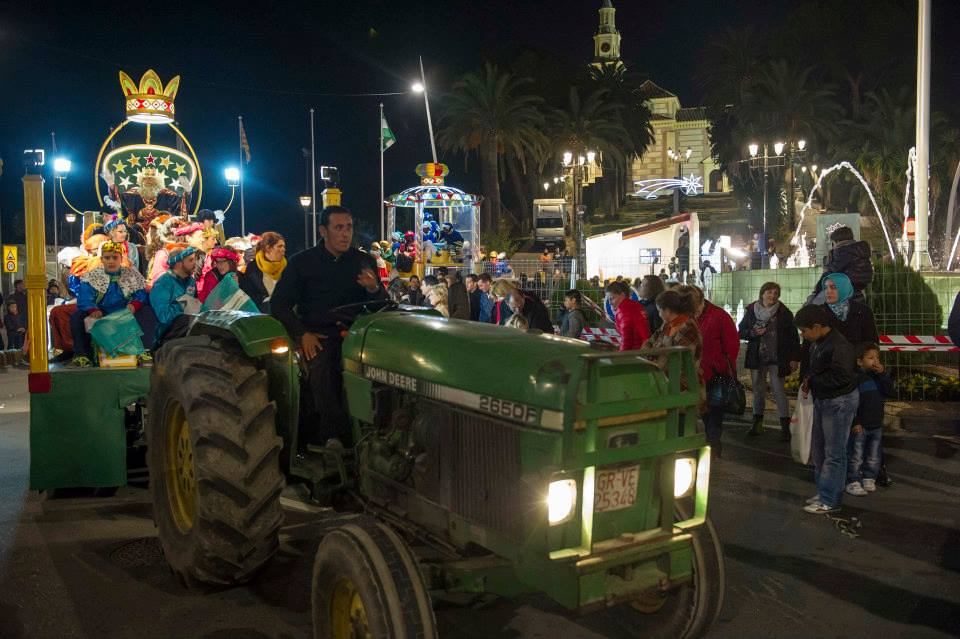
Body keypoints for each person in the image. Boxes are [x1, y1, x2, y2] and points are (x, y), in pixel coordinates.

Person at [271, 205, 385, 446]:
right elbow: (279, 305)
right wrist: (302, 334)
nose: (345, 234)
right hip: (318, 336)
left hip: (356, 335)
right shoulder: (302, 263)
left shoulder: (362, 261)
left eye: (349, 228)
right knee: (324, 369)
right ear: (323, 231)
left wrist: (374, 288)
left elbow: (379, 306)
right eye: (339, 228)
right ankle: (333, 440)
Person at [795, 304, 858, 514]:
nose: (803, 335)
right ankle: (824, 492)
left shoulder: (839, 346)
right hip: (825, 400)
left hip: (838, 402)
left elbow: (842, 377)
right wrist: (810, 379)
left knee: (834, 453)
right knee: (820, 450)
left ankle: (830, 499)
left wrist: (814, 382)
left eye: (804, 331)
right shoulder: (820, 342)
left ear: (817, 326)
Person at [70, 241, 156, 367]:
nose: (111, 261)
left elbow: (141, 294)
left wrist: (135, 305)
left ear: (121, 258)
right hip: (101, 313)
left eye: (115, 257)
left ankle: (144, 351)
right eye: (107, 257)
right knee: (77, 317)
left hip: (125, 313)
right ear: (101, 259)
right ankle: (82, 355)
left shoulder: (132, 274)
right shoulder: (91, 276)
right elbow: (84, 298)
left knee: (148, 312)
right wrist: (92, 309)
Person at [738, 282, 801, 440]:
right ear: (762, 293)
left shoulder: (784, 312)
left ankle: (785, 427)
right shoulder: (752, 310)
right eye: (769, 292)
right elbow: (741, 331)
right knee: (758, 390)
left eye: (775, 293)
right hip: (757, 357)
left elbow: (793, 337)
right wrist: (753, 332)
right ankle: (757, 423)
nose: (772, 296)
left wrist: (794, 358)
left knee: (778, 390)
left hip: (777, 357)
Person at [683, 284, 739, 457]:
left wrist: (719, 365)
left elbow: (732, 346)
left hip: (714, 374)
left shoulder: (719, 316)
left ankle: (714, 444)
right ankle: (705, 442)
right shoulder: (686, 316)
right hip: (693, 374)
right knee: (701, 410)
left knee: (714, 411)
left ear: (699, 301)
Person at [846, 342, 894, 497]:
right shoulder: (857, 379)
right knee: (856, 454)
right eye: (871, 358)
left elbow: (890, 391)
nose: (876, 361)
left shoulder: (879, 377)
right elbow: (852, 403)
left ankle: (869, 477)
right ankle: (853, 480)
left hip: (876, 424)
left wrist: (883, 374)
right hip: (861, 424)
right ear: (860, 361)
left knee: (874, 454)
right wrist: (855, 421)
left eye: (877, 357)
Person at [642, 289, 702, 404]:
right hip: (665, 385)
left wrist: (654, 356)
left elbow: (680, 361)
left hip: (682, 389)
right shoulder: (667, 325)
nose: (659, 314)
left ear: (668, 311)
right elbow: (651, 341)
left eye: (659, 311)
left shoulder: (688, 329)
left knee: (680, 421)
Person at [150, 246, 199, 344]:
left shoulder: (191, 281)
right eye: (190, 260)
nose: (195, 263)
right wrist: (184, 305)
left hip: (188, 329)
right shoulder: (163, 284)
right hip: (167, 335)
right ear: (179, 264)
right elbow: (164, 316)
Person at [810, 225, 873, 302]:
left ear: (836, 242)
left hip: (843, 292)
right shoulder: (859, 250)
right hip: (858, 289)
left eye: (832, 243)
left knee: (815, 302)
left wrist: (816, 290)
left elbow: (830, 273)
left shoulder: (844, 252)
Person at [239, 231, 286, 312]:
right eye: (279, 246)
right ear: (268, 248)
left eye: (284, 246)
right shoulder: (253, 268)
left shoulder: (286, 266)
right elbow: (249, 294)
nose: (283, 249)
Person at [606, 280, 650, 351]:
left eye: (612, 298)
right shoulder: (636, 305)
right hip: (643, 348)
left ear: (622, 295)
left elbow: (627, 338)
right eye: (609, 300)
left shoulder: (623, 311)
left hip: (634, 352)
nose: (610, 303)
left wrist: (621, 354)